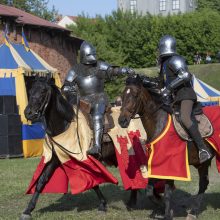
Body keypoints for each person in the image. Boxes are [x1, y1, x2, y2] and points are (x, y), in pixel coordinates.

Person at [62, 41, 134, 157]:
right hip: (82, 100)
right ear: (84, 56)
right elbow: (66, 86)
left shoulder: (99, 66)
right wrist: (70, 93)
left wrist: (124, 70)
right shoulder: (75, 70)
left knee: (96, 114)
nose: (92, 59)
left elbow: (113, 71)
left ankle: (96, 146)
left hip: (99, 98)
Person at [154, 35, 211, 163]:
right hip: (174, 98)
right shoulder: (164, 64)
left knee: (185, 117)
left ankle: (203, 149)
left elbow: (185, 75)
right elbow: (160, 83)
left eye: (159, 48)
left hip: (185, 94)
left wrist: (168, 88)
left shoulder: (175, 59)